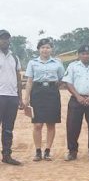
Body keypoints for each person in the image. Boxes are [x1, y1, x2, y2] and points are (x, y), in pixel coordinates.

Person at [62, 45, 89, 162]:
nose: (85, 55)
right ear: (78, 55)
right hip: (76, 100)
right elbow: (68, 83)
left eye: (88, 53)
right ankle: (72, 152)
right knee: (72, 127)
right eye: (83, 54)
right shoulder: (72, 66)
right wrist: (78, 96)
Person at [24, 38, 65, 161]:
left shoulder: (57, 63)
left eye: (47, 47)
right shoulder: (32, 63)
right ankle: (38, 151)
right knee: (37, 124)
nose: (45, 50)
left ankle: (47, 151)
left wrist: (54, 86)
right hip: (37, 93)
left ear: (51, 49)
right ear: (38, 49)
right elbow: (29, 81)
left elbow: (62, 78)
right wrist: (26, 98)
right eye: (42, 47)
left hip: (52, 93)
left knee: (51, 123)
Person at [0, 29, 23, 165]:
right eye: (2, 38)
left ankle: (7, 155)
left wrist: (20, 98)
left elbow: (18, 79)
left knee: (8, 128)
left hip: (12, 97)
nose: (5, 41)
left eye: (7, 38)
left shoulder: (14, 57)